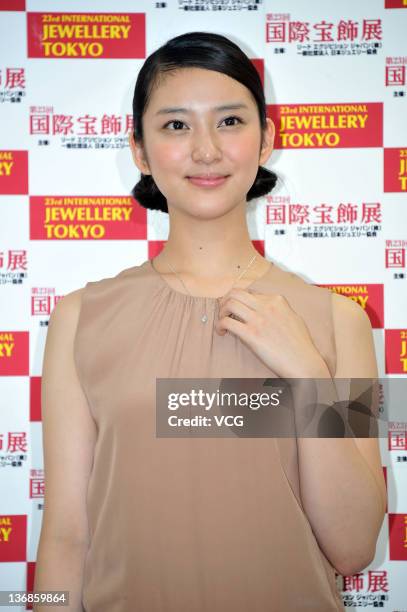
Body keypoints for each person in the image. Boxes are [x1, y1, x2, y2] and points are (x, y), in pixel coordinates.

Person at [34, 31, 386, 612]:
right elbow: (66, 537)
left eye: (229, 122)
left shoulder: (337, 320)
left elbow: (351, 548)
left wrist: (306, 373)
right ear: (140, 150)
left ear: (265, 139)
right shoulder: (80, 318)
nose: (205, 150)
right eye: (176, 125)